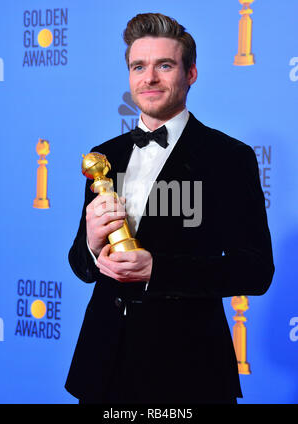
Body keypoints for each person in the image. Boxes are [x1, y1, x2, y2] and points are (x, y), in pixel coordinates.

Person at [65, 13, 274, 404]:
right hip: (102, 367)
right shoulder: (103, 156)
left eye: (165, 65)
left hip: (188, 370)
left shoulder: (229, 158)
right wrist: (91, 247)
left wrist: (157, 270)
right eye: (138, 66)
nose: (149, 78)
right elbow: (80, 265)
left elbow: (256, 270)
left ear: (191, 73)